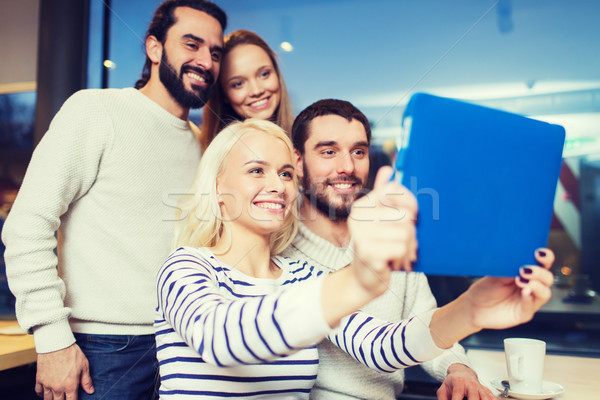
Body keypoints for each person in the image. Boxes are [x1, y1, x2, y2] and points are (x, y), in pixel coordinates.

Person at [155, 118, 554, 399]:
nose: (277, 185)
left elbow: (382, 346)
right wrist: (360, 278)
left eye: (286, 174)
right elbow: (222, 338)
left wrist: (471, 309)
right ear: (219, 188)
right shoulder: (186, 266)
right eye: (256, 171)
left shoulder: (303, 277)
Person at [1, 1, 226, 399]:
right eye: (191, 44)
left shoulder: (201, 145)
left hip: (181, 348)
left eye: (215, 52)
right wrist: (52, 338)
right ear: (155, 48)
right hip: (101, 349)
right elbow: (27, 225)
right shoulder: (96, 110)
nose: (205, 61)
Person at [282, 99, 504, 399]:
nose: (347, 167)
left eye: (358, 152)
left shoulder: (393, 235)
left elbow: (428, 324)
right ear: (297, 161)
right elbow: (379, 346)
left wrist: (458, 369)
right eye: (329, 151)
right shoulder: (279, 252)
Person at [200, 29, 294, 148]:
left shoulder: (307, 140)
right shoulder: (214, 154)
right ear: (224, 95)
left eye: (264, 74)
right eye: (238, 83)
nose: (256, 91)